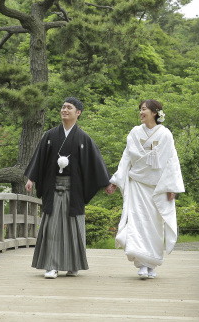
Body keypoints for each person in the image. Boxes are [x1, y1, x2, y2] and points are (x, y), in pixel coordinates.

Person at [25, 97, 113, 279]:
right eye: (63, 107)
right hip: (53, 188)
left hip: (74, 191)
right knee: (52, 228)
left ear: (78, 113)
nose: (64, 110)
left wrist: (106, 183)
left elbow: (95, 162)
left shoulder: (83, 138)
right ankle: (52, 265)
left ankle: (73, 265)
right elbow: (39, 159)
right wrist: (31, 179)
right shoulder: (49, 136)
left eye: (69, 108)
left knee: (73, 228)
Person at [107, 99, 184, 278]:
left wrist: (171, 187)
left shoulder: (165, 134)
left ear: (155, 113)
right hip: (137, 185)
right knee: (137, 223)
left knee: (155, 225)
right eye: (140, 110)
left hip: (157, 187)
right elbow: (126, 157)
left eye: (144, 110)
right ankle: (141, 264)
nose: (141, 113)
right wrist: (116, 180)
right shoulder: (135, 132)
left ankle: (152, 264)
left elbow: (171, 161)